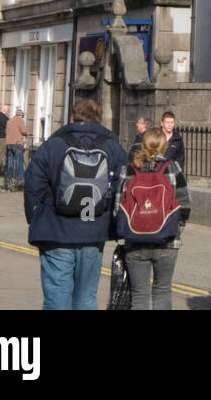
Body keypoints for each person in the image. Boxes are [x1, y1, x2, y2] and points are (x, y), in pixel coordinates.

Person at [25, 97, 128, 310]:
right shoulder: (112, 147)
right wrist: (112, 220)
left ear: (71, 118)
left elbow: (33, 183)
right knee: (86, 297)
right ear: (98, 119)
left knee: (57, 294)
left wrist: (34, 215)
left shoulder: (53, 144)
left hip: (56, 230)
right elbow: (124, 186)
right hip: (93, 229)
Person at [117, 128, 191, 310]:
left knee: (139, 296)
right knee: (162, 291)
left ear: (143, 145)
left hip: (135, 241)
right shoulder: (173, 168)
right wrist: (175, 227)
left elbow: (117, 208)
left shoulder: (128, 170)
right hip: (167, 241)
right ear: (164, 146)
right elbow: (185, 204)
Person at [4, 109, 28, 190]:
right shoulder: (20, 121)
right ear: (21, 115)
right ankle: (19, 182)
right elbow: (24, 131)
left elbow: (6, 132)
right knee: (18, 164)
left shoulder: (9, 121)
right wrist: (27, 133)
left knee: (10, 163)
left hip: (9, 144)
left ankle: (9, 181)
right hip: (17, 144)